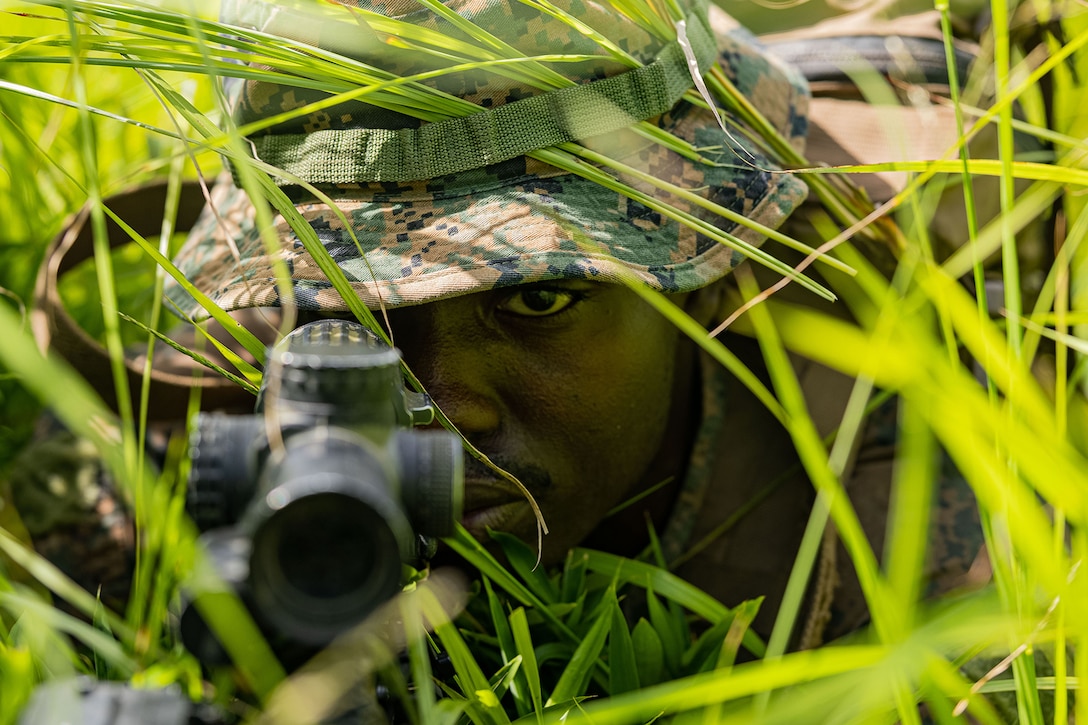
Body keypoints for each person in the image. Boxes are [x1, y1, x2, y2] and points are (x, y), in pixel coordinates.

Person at [10, 0, 987, 653]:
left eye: (535, 296)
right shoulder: (279, 337)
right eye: (356, 306)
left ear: (701, 270)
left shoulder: (947, 331)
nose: (441, 404)